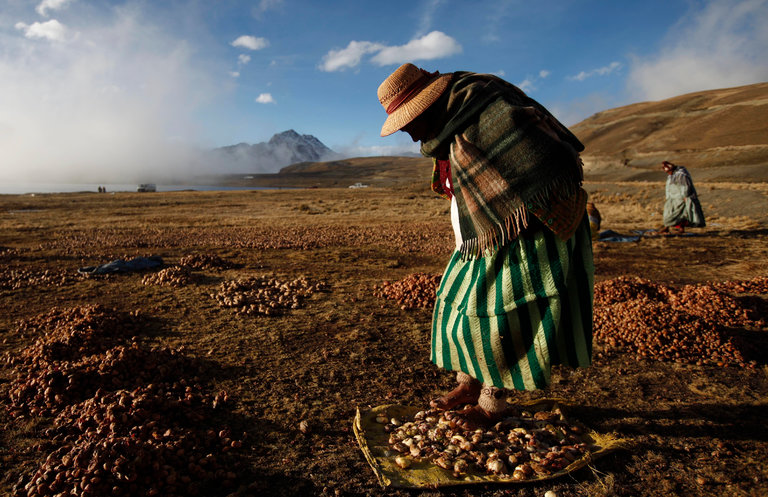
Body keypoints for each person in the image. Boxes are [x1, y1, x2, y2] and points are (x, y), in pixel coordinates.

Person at [377, 63, 594, 429]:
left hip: (532, 225)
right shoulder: (449, 125)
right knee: (460, 307)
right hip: (485, 233)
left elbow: (541, 159)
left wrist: (519, 215)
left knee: (506, 313)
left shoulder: (487, 108)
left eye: (409, 122)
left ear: (428, 106)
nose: (412, 135)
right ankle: (469, 383)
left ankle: (493, 402)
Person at [657, 160, 705, 234]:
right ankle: (667, 227)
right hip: (672, 198)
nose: (668, 173)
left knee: (680, 214)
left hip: (680, 198)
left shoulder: (682, 175)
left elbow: (685, 186)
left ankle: (677, 228)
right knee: (669, 213)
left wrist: (685, 196)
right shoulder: (671, 175)